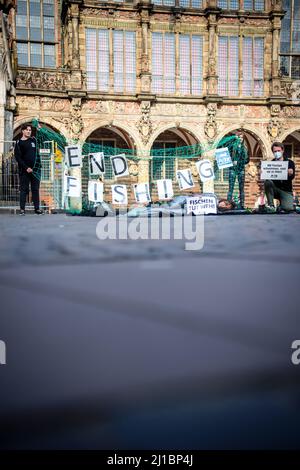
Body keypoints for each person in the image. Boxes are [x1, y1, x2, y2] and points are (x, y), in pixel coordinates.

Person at [14, 124, 43, 215]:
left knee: (35, 189)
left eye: (30, 130)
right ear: (22, 131)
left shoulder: (33, 140)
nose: (29, 131)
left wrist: (40, 130)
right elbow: (18, 158)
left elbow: (42, 140)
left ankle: (37, 209)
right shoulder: (19, 143)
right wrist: (26, 168)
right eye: (27, 130)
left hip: (35, 170)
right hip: (25, 171)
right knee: (24, 190)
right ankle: (22, 209)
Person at [264, 142, 295, 213]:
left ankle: (281, 206)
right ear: (273, 152)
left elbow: (292, 177)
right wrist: (264, 173)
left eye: (278, 151)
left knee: (288, 208)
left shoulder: (290, 163)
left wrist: (290, 173)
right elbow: (268, 177)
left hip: (286, 190)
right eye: (275, 151)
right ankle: (271, 205)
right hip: (275, 189)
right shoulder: (270, 163)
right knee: (267, 182)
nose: (277, 153)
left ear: (282, 150)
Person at [227, 131, 249, 209]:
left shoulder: (245, 148)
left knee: (241, 188)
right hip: (232, 169)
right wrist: (232, 161)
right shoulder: (232, 146)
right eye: (239, 137)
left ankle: (242, 205)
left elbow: (247, 160)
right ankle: (228, 205)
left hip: (241, 169)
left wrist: (239, 162)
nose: (240, 139)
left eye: (242, 137)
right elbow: (226, 155)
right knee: (231, 188)